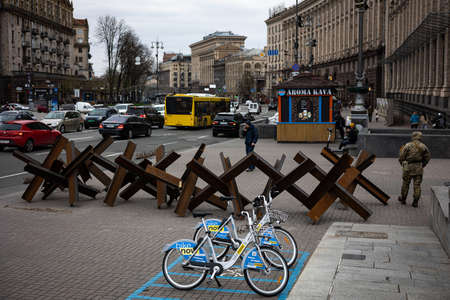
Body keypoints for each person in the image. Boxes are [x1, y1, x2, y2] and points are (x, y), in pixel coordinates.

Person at [398, 131, 431, 208]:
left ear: (413, 137)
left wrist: (402, 164)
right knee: (417, 185)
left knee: (405, 184)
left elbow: (401, 156)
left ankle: (403, 199)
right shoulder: (423, 146)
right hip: (418, 167)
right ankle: (415, 202)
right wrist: (423, 165)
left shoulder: (407, 145)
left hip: (408, 167)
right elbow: (427, 157)